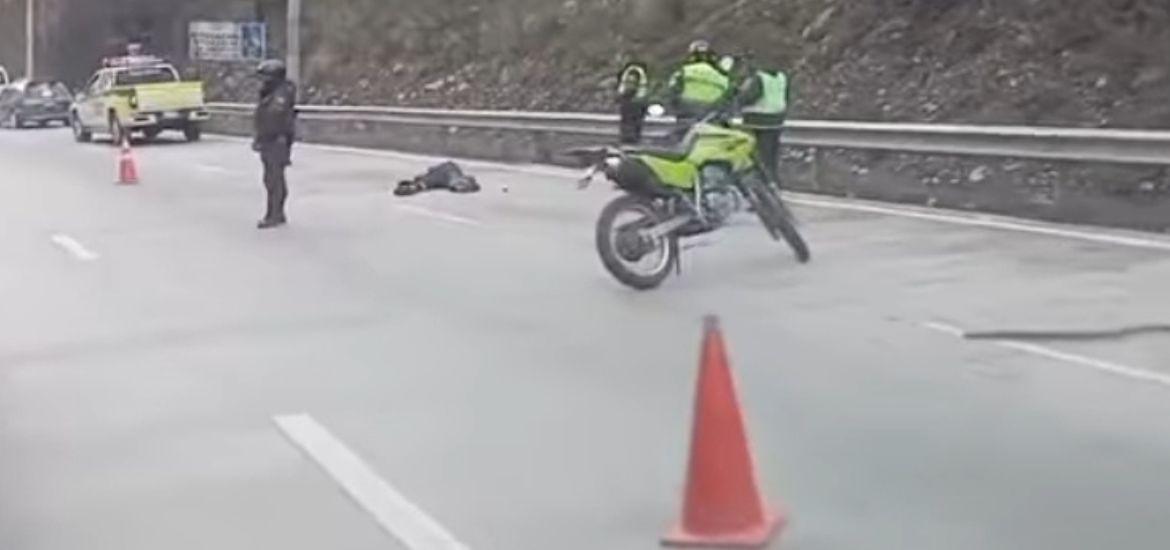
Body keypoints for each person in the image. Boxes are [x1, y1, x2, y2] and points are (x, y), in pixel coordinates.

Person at [252, 59, 297, 229]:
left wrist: (264, 136)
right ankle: (276, 213)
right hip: (269, 140)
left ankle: (274, 214)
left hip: (276, 140)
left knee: (274, 179)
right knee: (270, 178)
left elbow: (274, 119)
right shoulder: (271, 94)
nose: (262, 82)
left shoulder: (281, 95)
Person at [736, 59, 790, 184]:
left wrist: (739, 95)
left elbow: (748, 97)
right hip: (776, 121)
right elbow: (786, 96)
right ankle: (773, 180)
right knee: (771, 155)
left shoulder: (759, 79)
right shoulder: (781, 77)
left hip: (757, 121)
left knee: (757, 155)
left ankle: (760, 182)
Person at [667, 40, 731, 125]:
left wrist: (671, 106)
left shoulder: (685, 70)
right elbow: (727, 97)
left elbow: (673, 88)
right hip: (710, 112)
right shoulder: (722, 76)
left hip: (686, 109)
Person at [616, 61, 650, 144]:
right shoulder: (624, 97)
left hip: (635, 102)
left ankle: (631, 137)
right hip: (631, 101)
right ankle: (628, 136)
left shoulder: (640, 98)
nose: (631, 84)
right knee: (629, 120)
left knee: (633, 120)